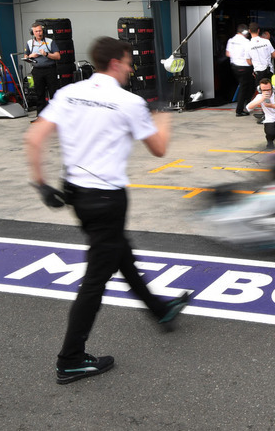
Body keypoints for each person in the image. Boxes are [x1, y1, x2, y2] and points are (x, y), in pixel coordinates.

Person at [24, 37, 190, 385]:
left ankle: (160, 310)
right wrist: (164, 118)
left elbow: (34, 137)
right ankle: (70, 359)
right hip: (107, 199)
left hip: (77, 195)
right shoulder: (129, 101)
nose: (131, 68)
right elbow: (159, 149)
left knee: (118, 253)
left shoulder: (69, 93)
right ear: (115, 63)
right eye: (128, 63)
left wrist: (41, 184)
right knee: (96, 278)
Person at [24, 21, 61, 119]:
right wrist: (30, 56)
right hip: (37, 70)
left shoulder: (50, 42)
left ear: (43, 31)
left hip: (50, 70)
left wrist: (46, 54)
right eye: (36, 31)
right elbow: (25, 56)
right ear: (33, 33)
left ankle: (56, 115)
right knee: (39, 93)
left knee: (53, 92)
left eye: (40, 31)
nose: (39, 33)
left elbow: (58, 56)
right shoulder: (29, 43)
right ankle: (40, 115)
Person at [246, 78, 275, 150]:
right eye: (264, 90)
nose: (267, 92)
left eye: (268, 89)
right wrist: (261, 99)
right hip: (270, 120)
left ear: (272, 88)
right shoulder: (259, 97)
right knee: (271, 133)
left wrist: (272, 106)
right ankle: (270, 142)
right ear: (260, 90)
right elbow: (248, 108)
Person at [227, 24, 253, 116]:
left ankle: (246, 106)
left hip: (234, 66)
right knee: (245, 88)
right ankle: (240, 110)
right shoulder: (246, 42)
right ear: (245, 32)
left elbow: (228, 54)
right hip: (244, 66)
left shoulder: (231, 40)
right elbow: (249, 55)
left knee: (244, 86)